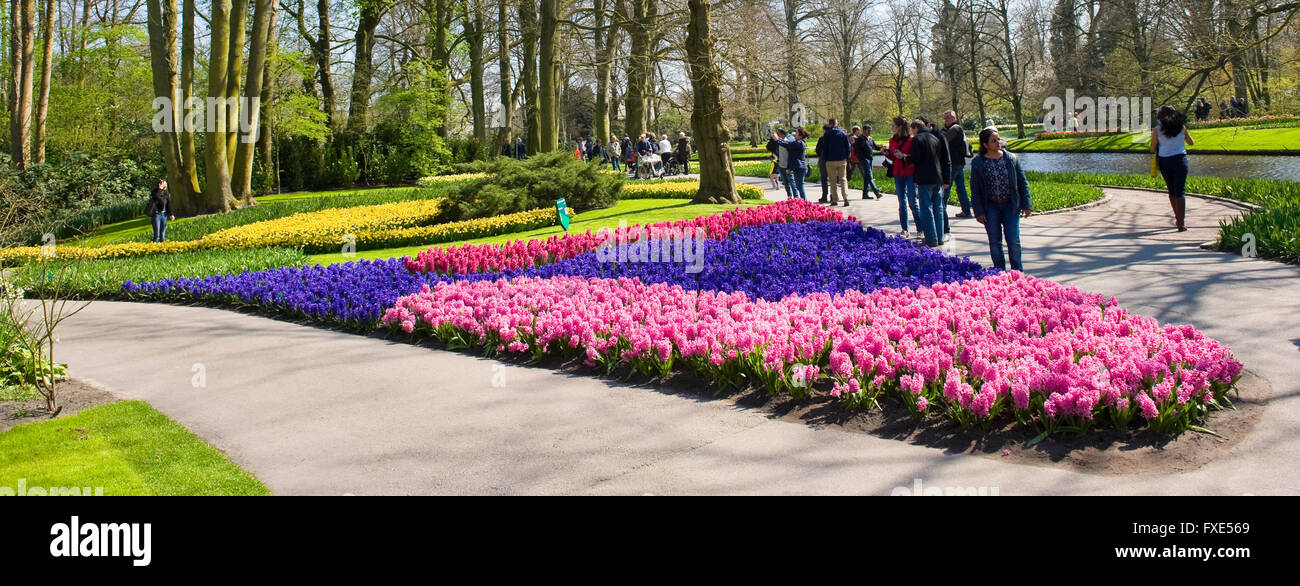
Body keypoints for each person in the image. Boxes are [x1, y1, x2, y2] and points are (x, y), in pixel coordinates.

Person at [970, 128, 1032, 271]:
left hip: (1010, 205)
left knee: (1013, 240)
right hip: (990, 206)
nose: (998, 143)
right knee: (995, 241)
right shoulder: (978, 162)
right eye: (994, 141)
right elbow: (975, 189)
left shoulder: (1010, 158)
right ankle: (999, 273)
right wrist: (978, 211)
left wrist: (1026, 204)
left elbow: (1022, 182)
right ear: (985, 145)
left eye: (999, 139)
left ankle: (1017, 273)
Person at [906, 119, 952, 247]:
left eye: (912, 130)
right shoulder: (934, 138)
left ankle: (931, 238)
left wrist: (905, 157)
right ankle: (940, 237)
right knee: (938, 208)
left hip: (924, 177)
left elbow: (915, 159)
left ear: (915, 128)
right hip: (937, 177)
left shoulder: (917, 139)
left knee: (926, 208)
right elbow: (941, 158)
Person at [1151, 104, 1194, 232]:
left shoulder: (1157, 130)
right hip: (1180, 160)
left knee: (1171, 190)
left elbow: (1152, 148)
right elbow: (1191, 142)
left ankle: (1177, 218)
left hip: (1165, 161)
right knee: (1180, 190)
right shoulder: (1181, 127)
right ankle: (1181, 223)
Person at [884, 116, 920, 238]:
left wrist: (903, 155)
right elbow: (893, 157)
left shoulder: (911, 140)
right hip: (898, 173)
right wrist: (888, 154)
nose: (892, 127)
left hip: (909, 172)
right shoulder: (892, 140)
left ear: (899, 127)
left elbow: (915, 157)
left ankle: (920, 229)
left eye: (893, 125)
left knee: (912, 202)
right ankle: (905, 229)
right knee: (901, 202)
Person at [942, 111, 974, 220]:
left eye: (948, 118)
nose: (946, 120)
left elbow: (944, 140)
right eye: (945, 118)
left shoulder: (954, 129)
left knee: (946, 186)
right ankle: (966, 210)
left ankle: (941, 210)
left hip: (954, 163)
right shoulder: (954, 129)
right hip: (959, 162)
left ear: (954, 118)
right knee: (960, 188)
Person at [817, 118, 852, 207]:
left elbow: (825, 148)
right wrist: (846, 157)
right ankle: (845, 198)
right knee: (843, 179)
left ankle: (834, 199)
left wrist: (825, 159)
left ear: (829, 124)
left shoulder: (827, 134)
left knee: (832, 180)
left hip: (830, 160)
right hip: (841, 159)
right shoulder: (843, 133)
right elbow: (847, 147)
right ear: (837, 123)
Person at [850, 125, 883, 199]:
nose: (870, 132)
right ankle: (876, 192)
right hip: (864, 159)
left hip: (870, 158)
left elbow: (875, 147)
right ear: (864, 130)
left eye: (870, 130)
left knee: (867, 177)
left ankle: (865, 194)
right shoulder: (860, 139)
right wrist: (860, 157)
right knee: (869, 176)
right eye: (868, 130)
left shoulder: (870, 139)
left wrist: (882, 149)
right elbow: (856, 149)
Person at [767, 128, 795, 198]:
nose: (777, 135)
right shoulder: (777, 141)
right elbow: (769, 147)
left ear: (782, 134)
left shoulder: (788, 140)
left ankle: (796, 196)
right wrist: (773, 140)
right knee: (786, 182)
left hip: (787, 164)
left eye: (778, 134)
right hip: (780, 163)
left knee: (791, 182)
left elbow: (790, 153)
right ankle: (789, 197)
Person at [785, 127, 811, 200]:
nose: (794, 134)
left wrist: (778, 140)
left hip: (800, 167)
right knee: (799, 186)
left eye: (796, 133)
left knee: (800, 186)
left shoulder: (799, 143)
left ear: (800, 135)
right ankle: (803, 202)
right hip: (799, 167)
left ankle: (805, 203)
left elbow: (788, 145)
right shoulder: (799, 142)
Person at [146, 179, 175, 243]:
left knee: (162, 234)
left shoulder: (166, 194)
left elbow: (168, 205)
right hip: (156, 215)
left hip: (163, 215)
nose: (165, 185)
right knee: (157, 235)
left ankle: (163, 248)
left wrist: (171, 214)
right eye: (164, 184)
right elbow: (158, 199)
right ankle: (153, 247)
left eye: (166, 184)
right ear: (159, 185)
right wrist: (160, 190)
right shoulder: (155, 193)